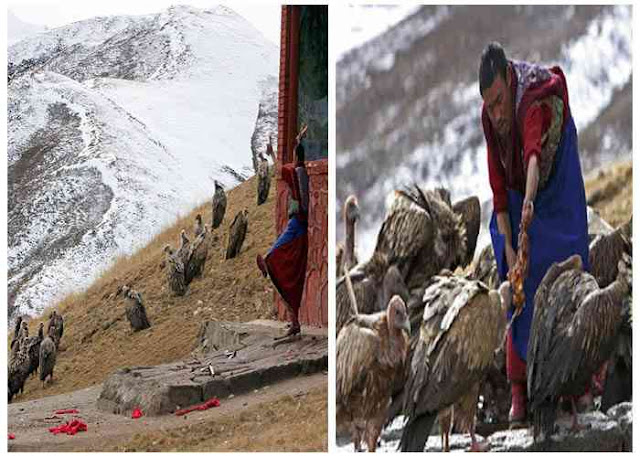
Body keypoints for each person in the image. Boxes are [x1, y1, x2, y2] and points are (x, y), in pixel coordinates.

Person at [479, 42, 590, 424]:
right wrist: (510, 245)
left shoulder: (531, 102)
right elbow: (497, 183)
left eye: (498, 102)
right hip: (517, 181)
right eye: (488, 106)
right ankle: (519, 386)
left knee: (560, 254)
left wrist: (528, 205)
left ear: (508, 85)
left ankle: (573, 382)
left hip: (552, 175)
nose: (495, 114)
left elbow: (531, 156)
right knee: (512, 268)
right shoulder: (489, 117)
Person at [257, 126, 310, 336]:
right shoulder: (304, 173)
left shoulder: (295, 173)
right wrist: (298, 140)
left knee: (275, 260)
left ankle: (267, 263)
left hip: (296, 224)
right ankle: (294, 321)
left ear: (296, 156)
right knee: (293, 278)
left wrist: (271, 154)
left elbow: (280, 169)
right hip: (301, 226)